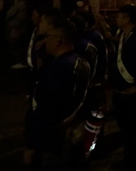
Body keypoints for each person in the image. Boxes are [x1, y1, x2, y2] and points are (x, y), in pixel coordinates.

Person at [23, 10, 90, 170]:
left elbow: (47, 110)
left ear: (58, 40)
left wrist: (33, 144)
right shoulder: (80, 62)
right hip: (72, 134)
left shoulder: (59, 69)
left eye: (48, 37)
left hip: (54, 141)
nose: (44, 42)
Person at [109, 4, 136, 170]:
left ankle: (133, 162)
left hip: (130, 90)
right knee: (124, 127)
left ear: (127, 19)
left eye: (120, 16)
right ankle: (128, 158)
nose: (117, 19)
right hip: (120, 90)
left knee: (132, 130)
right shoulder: (124, 35)